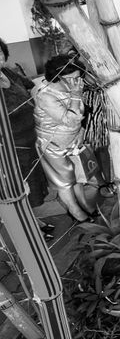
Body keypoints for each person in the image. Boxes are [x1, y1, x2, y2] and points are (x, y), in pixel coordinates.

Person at [33, 55, 93, 222]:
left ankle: (83, 203)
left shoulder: (71, 87)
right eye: (72, 78)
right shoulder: (45, 95)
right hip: (53, 144)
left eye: (78, 77)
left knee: (77, 175)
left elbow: (82, 112)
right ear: (58, 76)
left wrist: (81, 131)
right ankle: (75, 211)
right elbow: (69, 119)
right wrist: (75, 95)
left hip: (73, 139)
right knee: (64, 180)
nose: (77, 81)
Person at [0, 38, 49, 210]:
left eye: (0, 51)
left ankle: (37, 221)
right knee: (20, 183)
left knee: (35, 181)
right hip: (12, 145)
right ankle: (29, 224)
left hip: (31, 136)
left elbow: (31, 85)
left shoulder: (9, 73)